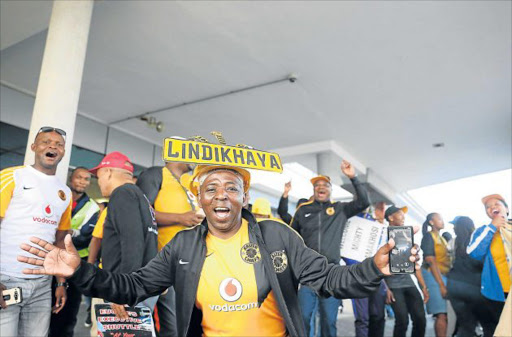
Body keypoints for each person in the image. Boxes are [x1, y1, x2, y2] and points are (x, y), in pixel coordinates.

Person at [18, 164, 421, 337]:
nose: (221, 195)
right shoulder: (182, 246)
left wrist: (373, 267)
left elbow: (332, 280)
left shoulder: (276, 236)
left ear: (244, 198)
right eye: (211, 189)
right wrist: (81, 273)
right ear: (201, 201)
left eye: (231, 188)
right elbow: (134, 285)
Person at [0, 126, 72, 337]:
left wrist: (60, 282)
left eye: (59, 144)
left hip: (42, 285)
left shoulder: (65, 193)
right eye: (46, 142)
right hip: (7, 280)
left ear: (63, 152)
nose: (52, 146)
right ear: (33, 147)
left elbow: (61, 241)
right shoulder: (12, 176)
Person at [291, 159, 370, 337]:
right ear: (313, 190)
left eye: (325, 185)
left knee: (329, 320)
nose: (321, 187)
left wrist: (353, 177)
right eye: (317, 185)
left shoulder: (340, 209)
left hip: (331, 274)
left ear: (330, 190)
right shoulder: (302, 210)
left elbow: (364, 201)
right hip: (308, 274)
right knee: (303, 318)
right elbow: (291, 239)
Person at [87, 152, 160, 331]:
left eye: (99, 177)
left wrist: (123, 290)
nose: (99, 182)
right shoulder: (140, 197)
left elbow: (133, 243)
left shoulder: (123, 194)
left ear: (108, 172)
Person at [136, 162, 204, 337]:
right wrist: (179, 218)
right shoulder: (156, 174)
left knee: (175, 327)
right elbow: (141, 211)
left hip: (182, 266)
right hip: (156, 263)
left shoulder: (187, 182)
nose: (193, 158)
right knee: (139, 322)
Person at [49, 166, 99, 337]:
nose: (82, 182)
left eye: (86, 179)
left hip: (75, 266)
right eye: (79, 177)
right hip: (50, 263)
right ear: (71, 178)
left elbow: (85, 237)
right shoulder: (57, 197)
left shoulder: (93, 207)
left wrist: (60, 235)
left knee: (69, 312)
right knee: (45, 307)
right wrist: (65, 233)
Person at [447, 216, 496, 337]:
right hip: (476, 287)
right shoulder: (478, 242)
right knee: (489, 325)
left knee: (466, 326)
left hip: (455, 287)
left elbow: (449, 263)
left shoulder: (451, 242)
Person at [467, 194, 511, 328]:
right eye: (488, 207)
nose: (492, 207)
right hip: (497, 292)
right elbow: (473, 252)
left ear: (507, 209)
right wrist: (492, 228)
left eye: (496, 204)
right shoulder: (482, 231)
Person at [384, 205, 428, 337]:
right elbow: (377, 265)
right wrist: (385, 288)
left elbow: (414, 264)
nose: (403, 217)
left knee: (420, 319)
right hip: (393, 286)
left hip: (409, 283)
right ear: (390, 217)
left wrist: (424, 287)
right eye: (399, 214)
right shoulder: (382, 236)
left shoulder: (406, 236)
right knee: (402, 321)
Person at [420, 212, 451, 337]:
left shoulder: (441, 238)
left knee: (445, 314)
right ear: (431, 222)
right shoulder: (429, 236)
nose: (442, 221)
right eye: (439, 218)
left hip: (442, 274)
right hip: (432, 275)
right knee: (441, 313)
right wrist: (441, 285)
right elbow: (431, 261)